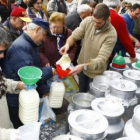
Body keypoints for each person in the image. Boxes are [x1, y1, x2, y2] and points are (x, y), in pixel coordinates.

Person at [2, 18, 55, 128]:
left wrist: (44, 89)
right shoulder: (21, 47)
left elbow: (35, 67)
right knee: (20, 127)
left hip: (23, 93)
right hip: (17, 99)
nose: (43, 39)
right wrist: (50, 71)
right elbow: (30, 75)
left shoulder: (30, 44)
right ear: (37, 29)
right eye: (44, 35)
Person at [60, 3, 117, 92]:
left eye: (98, 23)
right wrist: (67, 44)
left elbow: (101, 60)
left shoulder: (111, 34)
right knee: (81, 91)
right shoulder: (88, 21)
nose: (95, 24)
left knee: (91, 95)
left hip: (95, 73)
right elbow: (74, 35)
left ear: (107, 20)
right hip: (81, 66)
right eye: (94, 20)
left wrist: (84, 66)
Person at [0, 26, 25, 140]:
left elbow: (1, 82)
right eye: (0, 51)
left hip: (5, 123)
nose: (2, 56)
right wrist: (5, 135)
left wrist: (17, 85)